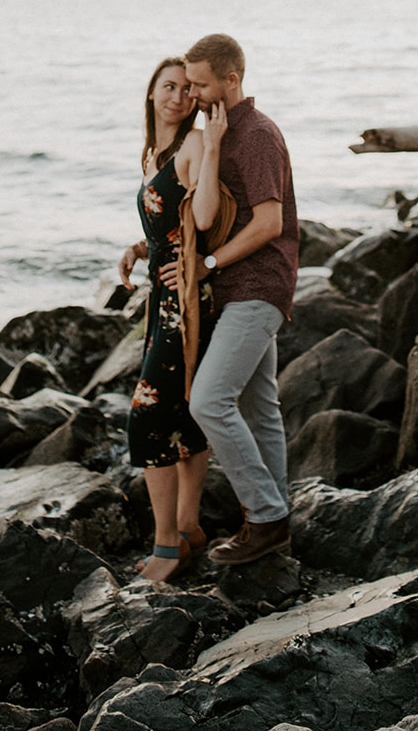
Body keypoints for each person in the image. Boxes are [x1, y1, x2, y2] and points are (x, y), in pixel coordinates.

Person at [183, 32, 299, 565]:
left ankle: (267, 517)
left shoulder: (255, 135)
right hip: (243, 290)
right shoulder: (223, 133)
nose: (193, 95)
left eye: (201, 85)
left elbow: (270, 221)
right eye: (189, 85)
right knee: (259, 408)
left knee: (208, 401)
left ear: (232, 79)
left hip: (258, 286)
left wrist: (209, 264)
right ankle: (274, 518)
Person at [118, 57, 226, 582]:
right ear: (151, 93)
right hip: (164, 298)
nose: (178, 97)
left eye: (187, 89)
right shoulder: (156, 152)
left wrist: (215, 145)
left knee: (148, 415)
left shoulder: (193, 145)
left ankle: (165, 546)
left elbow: (203, 218)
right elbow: (172, 222)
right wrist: (141, 247)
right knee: (182, 413)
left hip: (185, 301)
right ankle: (188, 530)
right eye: (168, 86)